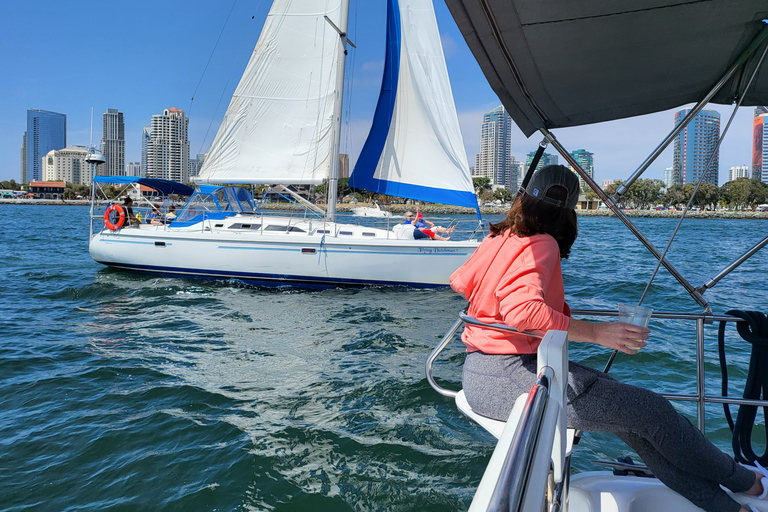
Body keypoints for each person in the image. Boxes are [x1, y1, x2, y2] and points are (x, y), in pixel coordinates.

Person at [449, 165, 767, 512]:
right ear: (570, 212)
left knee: (638, 424)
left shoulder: (497, 239)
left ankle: (729, 506)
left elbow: (460, 281)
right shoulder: (542, 244)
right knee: (655, 412)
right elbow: (523, 313)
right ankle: (747, 481)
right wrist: (599, 333)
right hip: (507, 374)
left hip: (483, 369)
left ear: (522, 199)